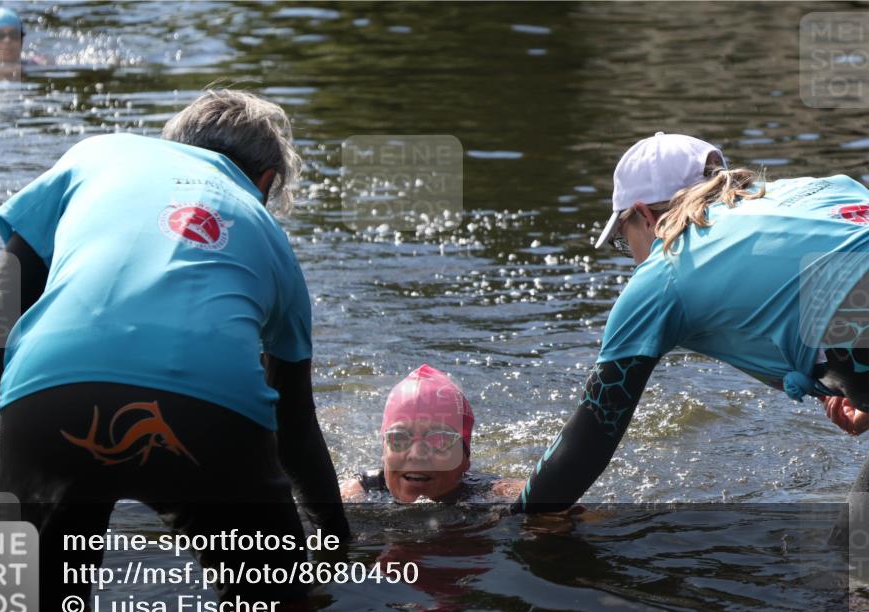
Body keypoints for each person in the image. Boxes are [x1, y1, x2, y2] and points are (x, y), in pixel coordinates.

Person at [0, 89, 349, 612]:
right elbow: (294, 422)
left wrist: (13, 417)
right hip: (209, 417)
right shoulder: (271, 238)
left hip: (48, 398)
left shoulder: (97, 155)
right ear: (265, 182)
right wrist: (335, 539)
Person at [513, 132, 869, 516]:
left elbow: (588, 441)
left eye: (623, 240)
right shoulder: (818, 188)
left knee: (853, 560)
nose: (631, 258)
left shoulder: (665, 268)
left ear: (645, 216)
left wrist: (507, 523)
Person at [340, 364, 525, 502]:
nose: (417, 454)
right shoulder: (360, 492)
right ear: (384, 452)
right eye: (400, 438)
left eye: (439, 440)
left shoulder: (490, 493)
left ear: (465, 459)